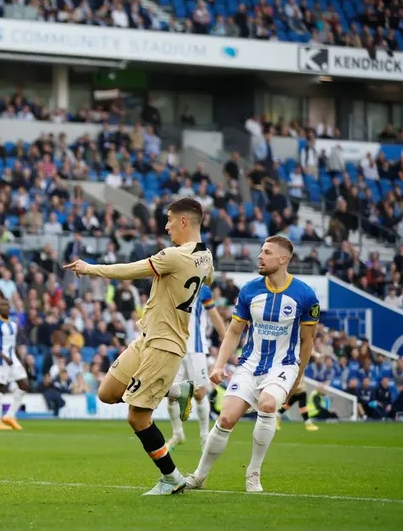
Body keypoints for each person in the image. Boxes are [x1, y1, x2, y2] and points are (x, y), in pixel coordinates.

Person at [64, 197, 214, 496]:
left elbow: (131, 270)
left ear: (184, 221)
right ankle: (177, 390)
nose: (166, 225)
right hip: (146, 339)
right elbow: (207, 278)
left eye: (170, 219)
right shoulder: (205, 257)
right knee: (107, 393)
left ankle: (171, 478)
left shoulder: (174, 255)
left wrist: (90, 268)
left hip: (165, 344)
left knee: (137, 417)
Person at [185, 235, 320, 493]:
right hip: (250, 363)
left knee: (268, 405)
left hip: (284, 365)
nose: (260, 256)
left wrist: (298, 376)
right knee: (225, 418)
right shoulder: (249, 290)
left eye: (267, 252)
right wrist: (219, 365)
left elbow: (307, 341)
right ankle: (199, 476)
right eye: (261, 251)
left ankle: (253, 474)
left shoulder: (305, 295)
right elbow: (234, 332)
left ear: (283, 259)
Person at [167, 283, 227, 450]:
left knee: (200, 394)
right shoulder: (170, 285)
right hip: (174, 348)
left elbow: (214, 316)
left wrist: (226, 339)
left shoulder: (203, 290)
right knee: (170, 393)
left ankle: (204, 437)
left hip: (196, 349)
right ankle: (177, 434)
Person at [0, 297, 30, 431]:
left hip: (12, 359)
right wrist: (3, 357)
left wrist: (18, 359)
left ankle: (9, 415)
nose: (5, 308)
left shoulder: (13, 324)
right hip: (0, 361)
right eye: (2, 305)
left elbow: (12, 344)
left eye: (7, 305)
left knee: (24, 384)